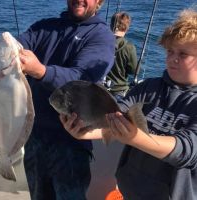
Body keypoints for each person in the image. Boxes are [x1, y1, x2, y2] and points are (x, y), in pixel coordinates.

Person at [0, 0, 115, 199]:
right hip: (34, 137)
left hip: (70, 142)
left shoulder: (101, 36)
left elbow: (83, 80)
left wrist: (40, 71)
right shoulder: (44, 27)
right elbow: (7, 52)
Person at [60, 8, 197, 200]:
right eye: (170, 51)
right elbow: (113, 116)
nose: (172, 58)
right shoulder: (149, 87)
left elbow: (187, 150)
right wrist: (85, 131)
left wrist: (135, 137)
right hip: (129, 191)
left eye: (183, 54)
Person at [105, 12, 138, 99]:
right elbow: (134, 70)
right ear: (127, 27)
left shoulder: (101, 42)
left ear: (111, 25)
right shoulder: (129, 47)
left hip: (100, 88)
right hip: (119, 91)